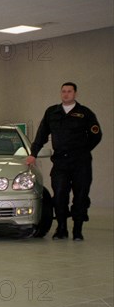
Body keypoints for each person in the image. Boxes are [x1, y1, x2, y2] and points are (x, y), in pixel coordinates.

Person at [26, 82, 102, 241]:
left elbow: (96, 135)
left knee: (81, 196)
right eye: (63, 91)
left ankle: (77, 230)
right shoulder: (52, 112)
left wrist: (83, 150)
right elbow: (41, 135)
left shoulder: (85, 113)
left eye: (69, 91)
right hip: (60, 162)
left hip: (81, 162)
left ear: (75, 94)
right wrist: (33, 154)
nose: (66, 94)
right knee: (59, 195)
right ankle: (61, 229)